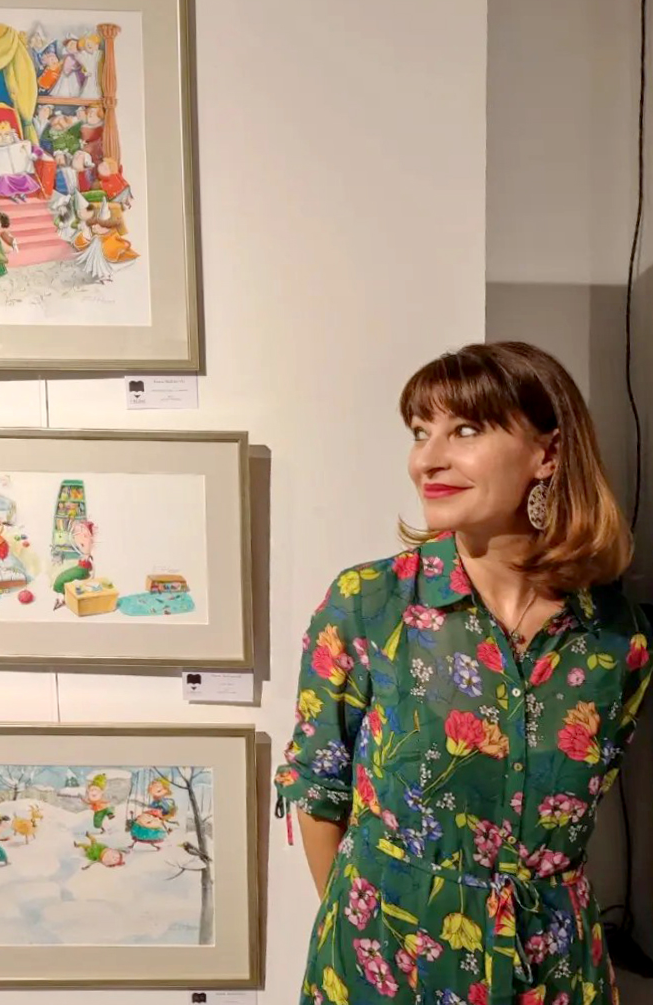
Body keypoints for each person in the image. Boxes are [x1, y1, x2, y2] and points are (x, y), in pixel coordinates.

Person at [274, 342, 651, 1005]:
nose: (428, 458)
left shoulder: (617, 638)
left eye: (466, 430)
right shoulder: (371, 605)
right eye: (421, 432)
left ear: (548, 454)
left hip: (554, 972)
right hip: (390, 964)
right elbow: (318, 789)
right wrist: (369, 940)